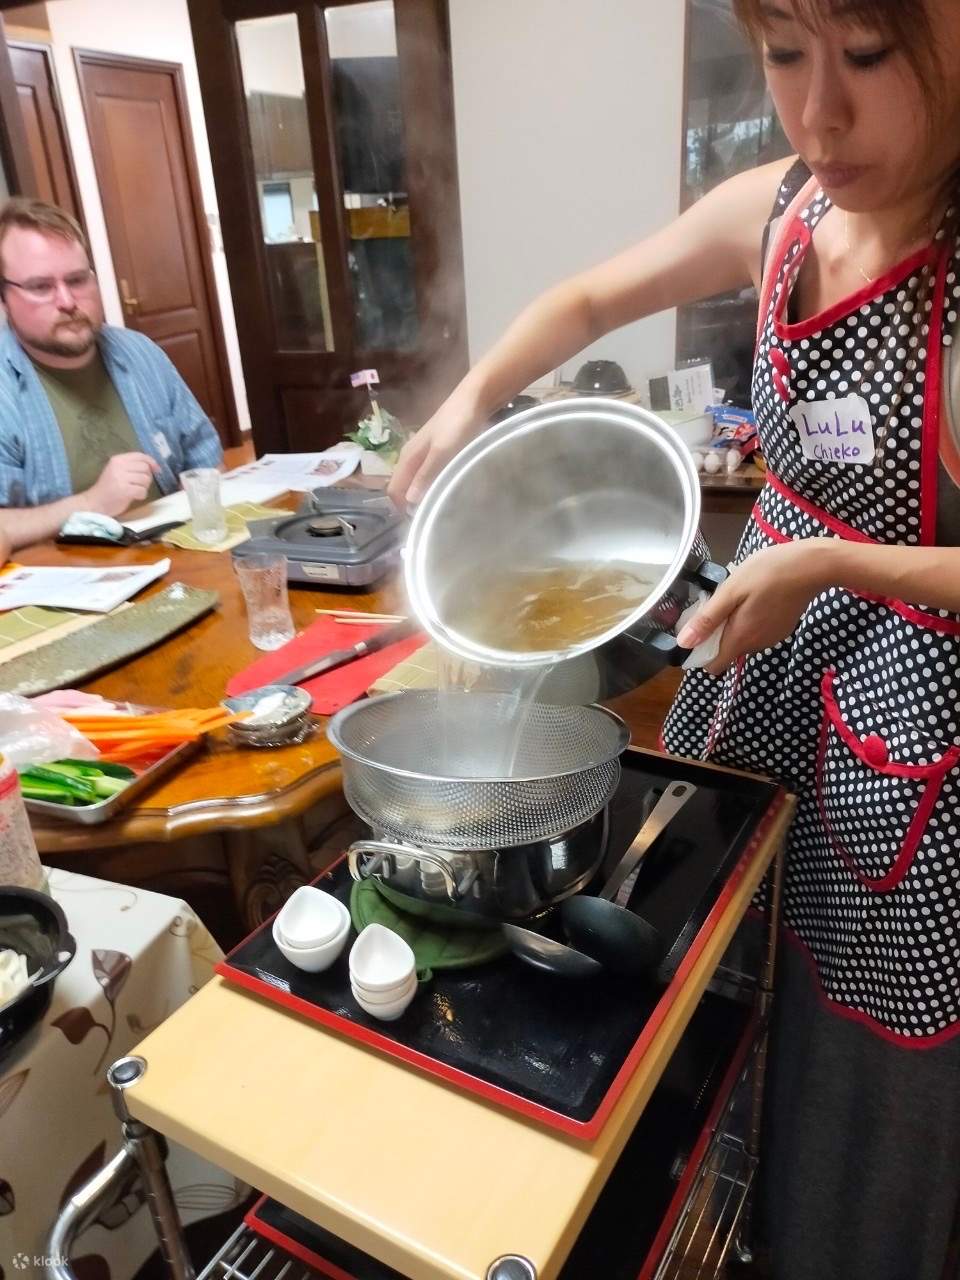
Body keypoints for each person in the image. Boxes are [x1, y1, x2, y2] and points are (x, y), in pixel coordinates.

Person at [389, 3, 960, 1278]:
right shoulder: (787, 209)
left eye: (868, 59)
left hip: (918, 721)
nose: (819, 114)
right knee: (715, 973)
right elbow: (594, 292)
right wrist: (477, 389)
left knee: (859, 1049)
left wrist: (829, 563)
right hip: (769, 663)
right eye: (786, 57)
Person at [0, 198, 223, 549]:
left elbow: (204, 461)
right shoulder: (5, 392)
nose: (67, 301)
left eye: (76, 280)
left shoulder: (140, 353)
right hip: (69, 585)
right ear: (4, 298)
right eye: (41, 287)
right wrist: (91, 504)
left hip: (176, 557)